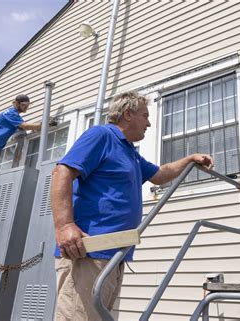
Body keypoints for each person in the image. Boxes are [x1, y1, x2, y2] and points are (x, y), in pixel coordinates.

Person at [50, 91, 214, 321]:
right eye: (145, 115)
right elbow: (61, 172)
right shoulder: (102, 135)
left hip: (114, 253)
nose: (149, 123)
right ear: (127, 114)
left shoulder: (130, 153)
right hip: (88, 251)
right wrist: (65, 224)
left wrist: (189, 159)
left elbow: (159, 174)